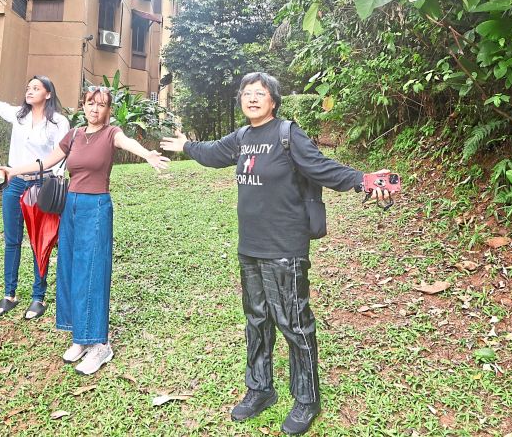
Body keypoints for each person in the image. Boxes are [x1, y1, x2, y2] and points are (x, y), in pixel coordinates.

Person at [159, 72, 394, 436]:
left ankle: (307, 398)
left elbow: (321, 167)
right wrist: (187, 147)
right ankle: (260, 388)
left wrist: (364, 180)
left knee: (294, 323)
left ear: (273, 100)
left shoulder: (287, 134)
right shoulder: (241, 138)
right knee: (257, 319)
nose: (252, 98)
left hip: (284, 247)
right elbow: (212, 153)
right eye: (247, 93)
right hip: (250, 246)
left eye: (260, 93)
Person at [0, 85, 170, 375]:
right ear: (83, 106)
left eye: (101, 105)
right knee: (70, 268)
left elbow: (128, 143)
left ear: (108, 110)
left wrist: (148, 155)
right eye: (90, 103)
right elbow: (46, 162)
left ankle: (99, 345)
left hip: (96, 207)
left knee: (92, 271)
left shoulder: (111, 133)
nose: (95, 109)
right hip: (70, 206)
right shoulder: (74, 135)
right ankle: (78, 335)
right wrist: (14, 171)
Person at [0, 73, 69, 320]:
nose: (30, 91)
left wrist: (54, 181)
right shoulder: (19, 116)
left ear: (48, 93)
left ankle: (38, 297)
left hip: (41, 186)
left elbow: (61, 155)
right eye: (28, 87)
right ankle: (9, 294)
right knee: (12, 240)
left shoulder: (58, 122)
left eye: (36, 88)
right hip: (14, 185)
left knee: (39, 241)